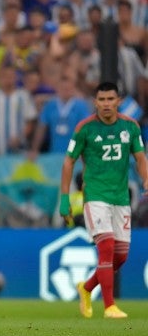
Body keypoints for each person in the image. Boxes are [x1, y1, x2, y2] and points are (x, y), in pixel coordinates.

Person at [60, 81, 148, 319]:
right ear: (95, 102)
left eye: (111, 99)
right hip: (95, 196)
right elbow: (69, 161)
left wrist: (146, 180)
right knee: (106, 248)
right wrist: (65, 198)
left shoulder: (130, 127)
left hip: (120, 197)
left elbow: (140, 157)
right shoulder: (85, 129)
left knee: (120, 256)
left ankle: (87, 288)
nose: (106, 104)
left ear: (118, 101)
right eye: (102, 99)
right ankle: (110, 306)